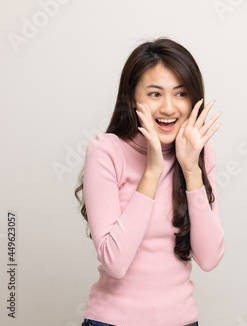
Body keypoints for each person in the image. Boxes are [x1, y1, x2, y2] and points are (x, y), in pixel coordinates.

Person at [74, 37, 225, 326]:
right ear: (132, 97)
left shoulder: (200, 154)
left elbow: (208, 258)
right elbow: (115, 263)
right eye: (155, 94)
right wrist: (153, 170)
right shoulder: (106, 150)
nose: (169, 108)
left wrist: (191, 169)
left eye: (180, 94)